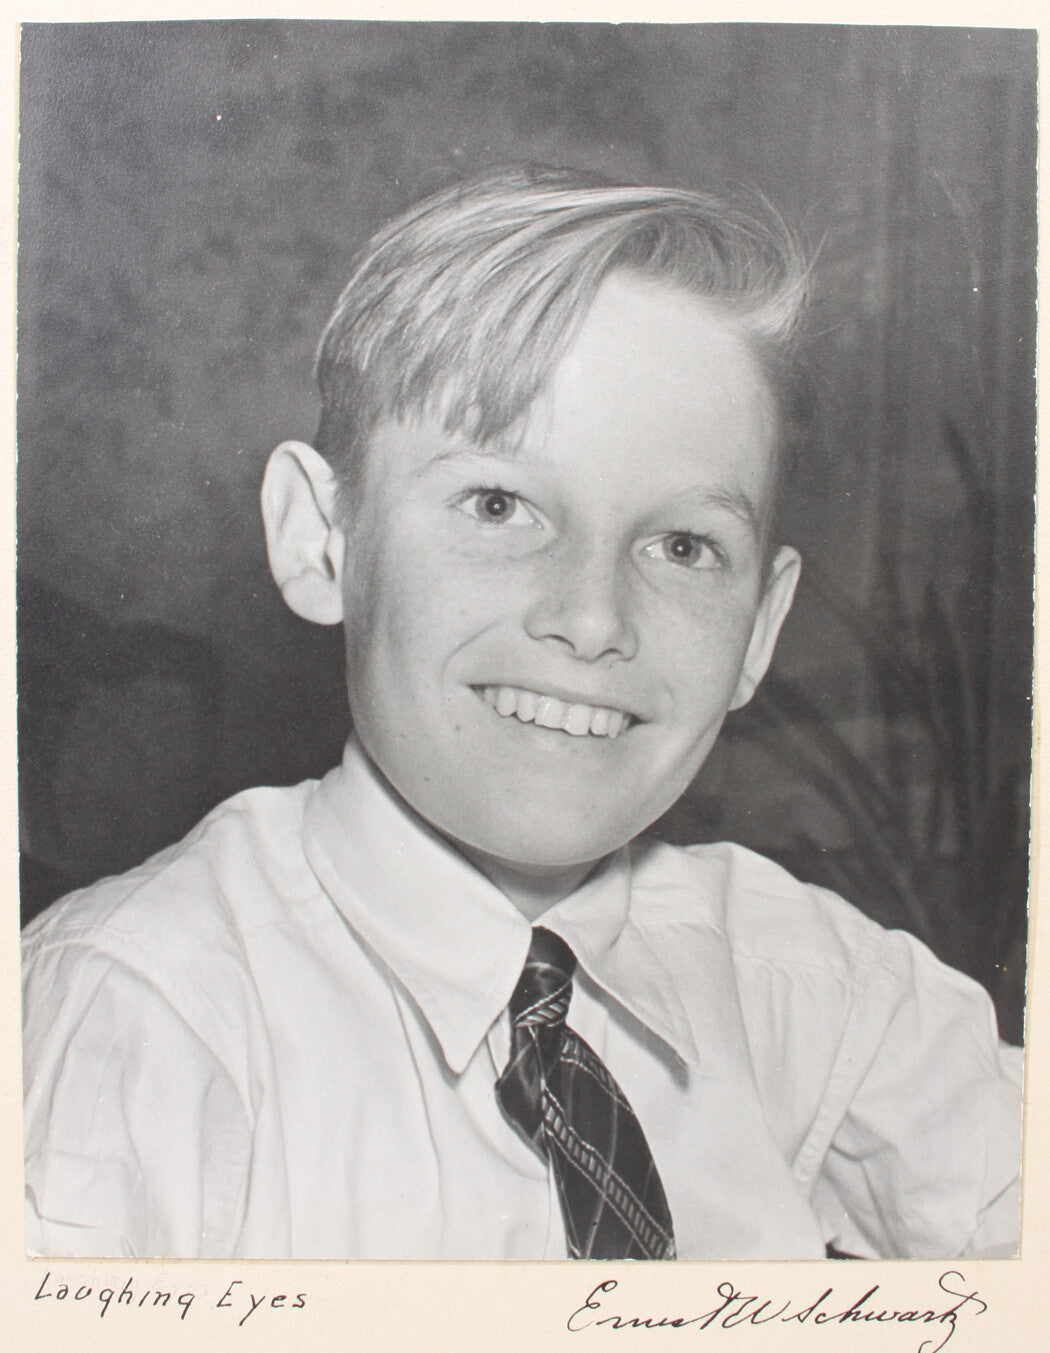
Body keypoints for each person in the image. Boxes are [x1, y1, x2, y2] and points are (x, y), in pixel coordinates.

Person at [21, 165, 1022, 1260]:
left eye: (684, 545)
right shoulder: (142, 1020)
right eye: (498, 505)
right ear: (321, 538)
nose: (593, 619)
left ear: (760, 628)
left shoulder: (816, 990)